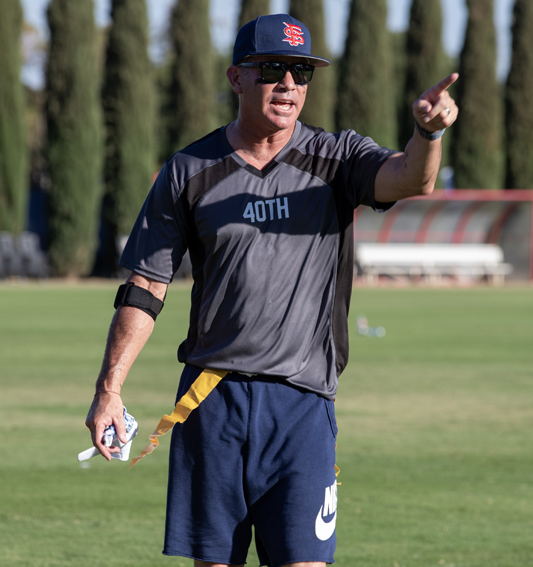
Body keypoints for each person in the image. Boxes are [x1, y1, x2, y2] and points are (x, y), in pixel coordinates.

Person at [86, 13, 458, 567]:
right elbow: (145, 285)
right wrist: (109, 388)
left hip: (302, 405)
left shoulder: (338, 159)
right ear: (237, 79)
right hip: (211, 402)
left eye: (302, 73)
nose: (289, 84)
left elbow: (412, 179)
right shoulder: (188, 170)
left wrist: (428, 134)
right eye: (274, 70)